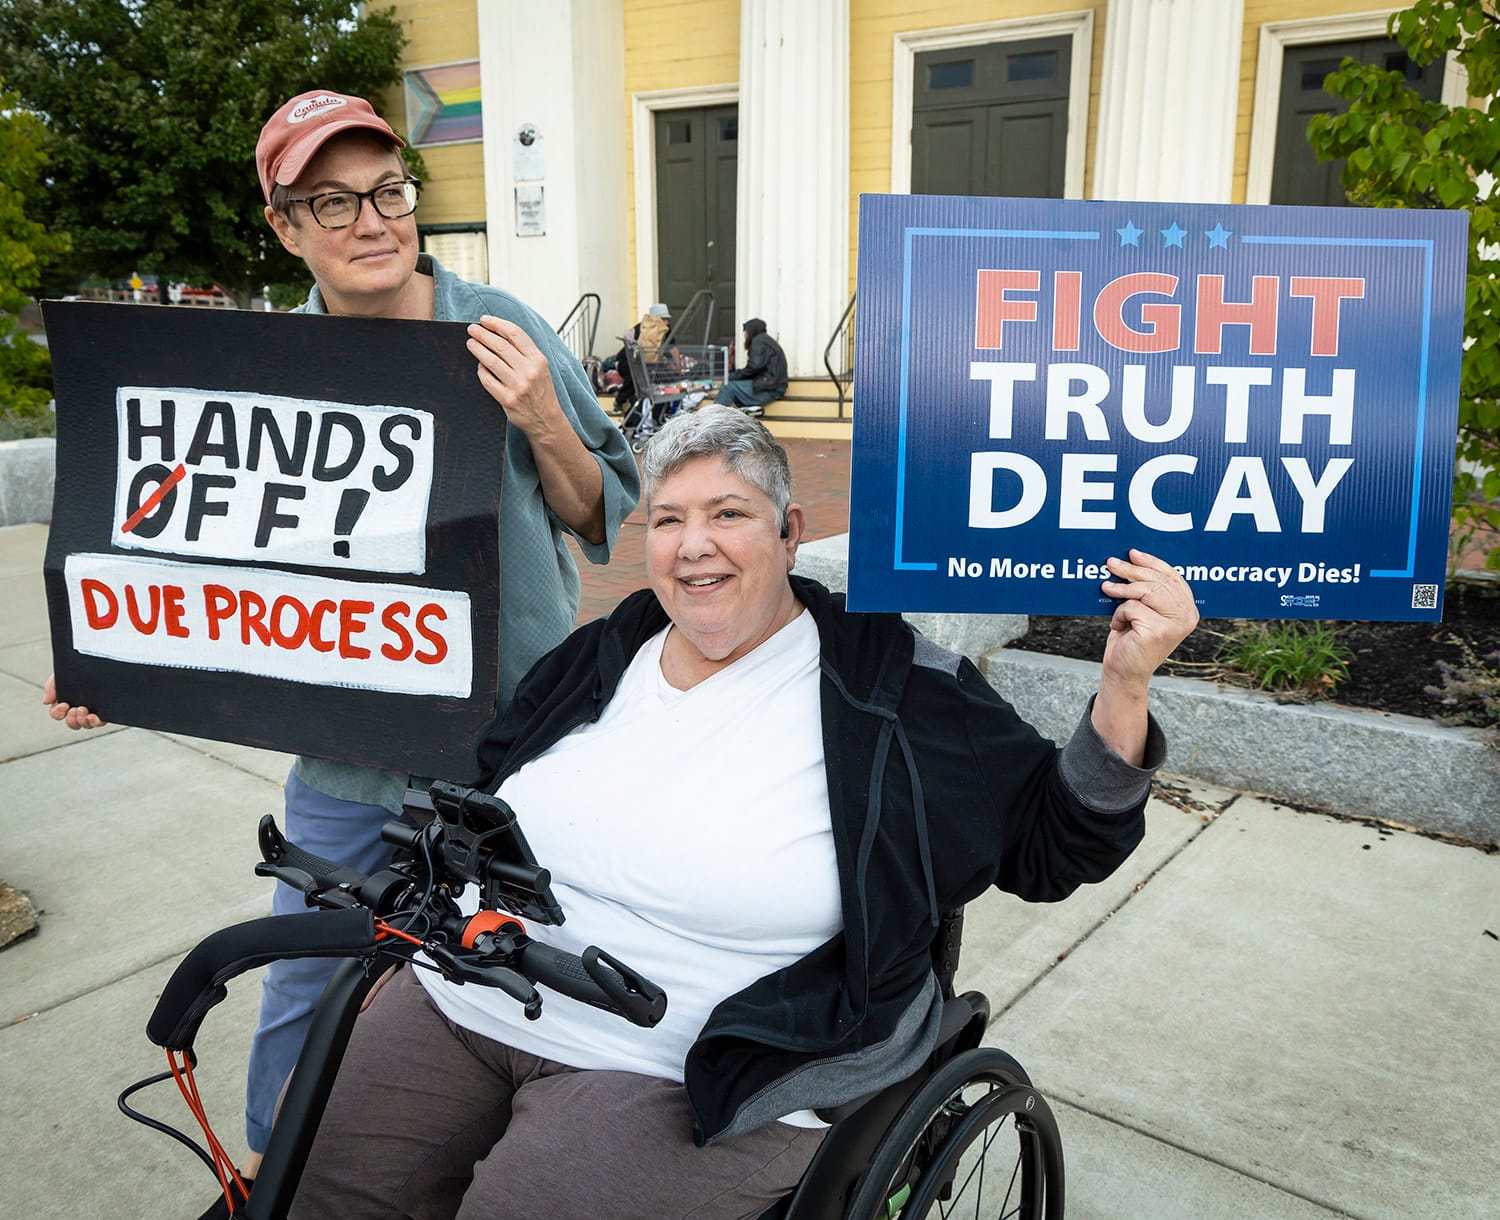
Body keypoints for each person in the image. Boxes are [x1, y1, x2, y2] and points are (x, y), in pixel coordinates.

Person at [287, 404, 1199, 1218]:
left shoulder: (888, 685)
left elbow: (1056, 842)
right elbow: (489, 786)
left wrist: (1124, 683)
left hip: (702, 1062)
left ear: (790, 531)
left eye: (729, 515)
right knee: (320, 1193)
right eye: (670, 520)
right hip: (476, 990)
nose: (694, 546)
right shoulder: (612, 647)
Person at [42, 88, 640, 1210]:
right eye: (332, 201)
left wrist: (543, 421)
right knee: (304, 977)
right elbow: (207, 564)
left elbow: (601, 509)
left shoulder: (496, 322)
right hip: (348, 755)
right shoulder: (263, 358)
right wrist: (112, 657)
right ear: (285, 227)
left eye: (387, 191)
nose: (372, 221)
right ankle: (275, 1176)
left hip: (508, 748)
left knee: (508, 986)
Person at [606, 301, 672, 413]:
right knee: (635, 373)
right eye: (663, 318)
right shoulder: (640, 329)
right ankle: (620, 401)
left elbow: (672, 349)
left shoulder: (666, 331)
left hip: (649, 364)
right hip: (629, 361)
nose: (667, 322)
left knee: (662, 376)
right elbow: (629, 349)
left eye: (667, 319)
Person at [715, 317, 788, 416]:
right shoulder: (766, 340)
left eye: (745, 331)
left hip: (770, 389)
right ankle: (748, 409)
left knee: (728, 386)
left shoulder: (758, 342)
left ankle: (714, 417)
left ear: (751, 331)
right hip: (772, 386)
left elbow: (754, 367)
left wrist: (733, 375)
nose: (745, 335)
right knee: (732, 384)